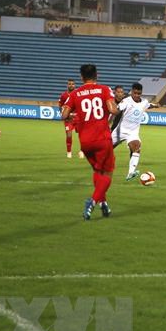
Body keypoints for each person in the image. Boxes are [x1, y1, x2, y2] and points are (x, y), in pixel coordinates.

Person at [61, 64, 118, 220]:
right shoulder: (105, 89)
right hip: (102, 139)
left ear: (81, 77)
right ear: (97, 75)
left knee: (97, 171)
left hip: (85, 142)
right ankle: (92, 202)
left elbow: (64, 114)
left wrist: (73, 116)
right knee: (107, 172)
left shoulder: (75, 93)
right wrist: (116, 107)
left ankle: (103, 204)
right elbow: (112, 110)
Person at [111, 82, 161, 182]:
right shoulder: (126, 101)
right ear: (131, 92)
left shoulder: (144, 102)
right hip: (120, 131)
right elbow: (116, 110)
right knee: (105, 149)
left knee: (137, 147)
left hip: (132, 133)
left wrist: (155, 105)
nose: (137, 95)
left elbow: (148, 105)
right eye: (135, 93)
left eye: (139, 93)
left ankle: (131, 173)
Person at [59, 79, 83, 159]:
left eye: (73, 84)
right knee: (69, 135)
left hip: (78, 118)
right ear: (67, 85)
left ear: (75, 85)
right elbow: (61, 106)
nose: (71, 85)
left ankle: (82, 151)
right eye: (69, 84)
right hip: (68, 119)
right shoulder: (63, 95)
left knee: (82, 135)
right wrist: (64, 114)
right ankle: (69, 152)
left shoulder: (78, 94)